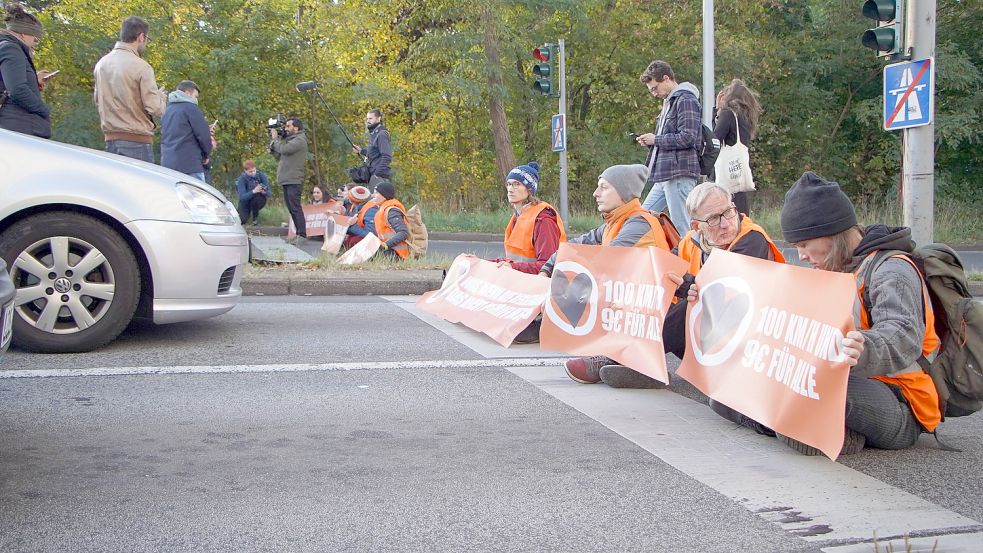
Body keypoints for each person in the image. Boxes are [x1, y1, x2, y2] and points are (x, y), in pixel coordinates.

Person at [777, 171, 940, 455]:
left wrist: (862, 347)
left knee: (800, 390)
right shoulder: (831, 266)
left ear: (830, 234)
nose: (801, 256)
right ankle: (804, 425)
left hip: (900, 400)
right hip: (850, 382)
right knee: (732, 398)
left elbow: (903, 335)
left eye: (803, 245)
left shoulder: (892, 270)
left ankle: (831, 434)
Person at [664, 182, 785, 428]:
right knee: (674, 297)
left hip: (754, 339)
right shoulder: (690, 241)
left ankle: (638, 354)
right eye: (714, 219)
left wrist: (688, 286)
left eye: (729, 212)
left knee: (689, 306)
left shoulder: (752, 239)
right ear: (696, 226)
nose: (727, 223)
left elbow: (725, 290)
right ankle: (638, 354)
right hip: (715, 337)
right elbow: (667, 269)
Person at [540, 164, 671, 387]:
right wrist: (548, 268)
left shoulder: (639, 223)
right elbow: (574, 246)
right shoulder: (614, 223)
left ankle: (624, 358)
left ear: (623, 193)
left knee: (583, 290)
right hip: (633, 308)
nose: (596, 193)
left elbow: (602, 262)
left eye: (604, 187)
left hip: (654, 313)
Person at [636, 60, 702, 237]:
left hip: (679, 173)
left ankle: (694, 261)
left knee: (683, 227)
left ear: (666, 78)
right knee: (641, 218)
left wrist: (656, 139)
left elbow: (688, 136)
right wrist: (652, 141)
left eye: (655, 88)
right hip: (666, 174)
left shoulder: (686, 99)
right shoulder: (670, 102)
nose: (654, 94)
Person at [93, 16, 167, 163]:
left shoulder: (101, 64)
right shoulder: (141, 67)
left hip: (110, 140)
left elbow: (98, 100)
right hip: (137, 142)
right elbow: (155, 108)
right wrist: (161, 97)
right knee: (141, 185)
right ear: (140, 37)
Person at [492, 161, 566, 275]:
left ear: (529, 190)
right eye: (509, 184)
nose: (510, 189)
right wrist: (478, 261)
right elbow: (510, 261)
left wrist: (513, 267)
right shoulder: (518, 216)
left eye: (516, 184)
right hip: (523, 284)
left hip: (539, 287)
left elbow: (548, 266)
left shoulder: (543, 219)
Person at [0, 3, 51, 138]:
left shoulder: (8, 48)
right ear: (23, 33)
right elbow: (17, 89)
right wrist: (43, 109)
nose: (36, 41)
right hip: (18, 126)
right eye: (35, 37)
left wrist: (34, 79)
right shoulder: (11, 49)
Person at [712, 79, 762, 215]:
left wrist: (717, 111)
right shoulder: (746, 117)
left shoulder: (728, 114)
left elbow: (715, 139)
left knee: (727, 210)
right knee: (741, 212)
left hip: (727, 172)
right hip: (740, 169)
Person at [160, 80, 212, 181]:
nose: (196, 100)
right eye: (195, 96)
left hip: (168, 164)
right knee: (197, 196)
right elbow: (202, 135)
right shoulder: (191, 108)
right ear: (188, 93)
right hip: (190, 164)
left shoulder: (167, 110)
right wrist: (206, 155)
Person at [269, 117, 309, 242]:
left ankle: (302, 235)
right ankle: (298, 234)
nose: (285, 128)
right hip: (287, 178)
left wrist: (276, 139)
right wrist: (274, 145)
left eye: (288, 126)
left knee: (295, 207)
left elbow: (284, 149)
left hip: (294, 179)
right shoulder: (291, 140)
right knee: (291, 208)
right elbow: (279, 155)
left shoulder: (300, 140)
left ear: (296, 128)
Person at [352, 109, 392, 189]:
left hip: (379, 177)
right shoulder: (375, 133)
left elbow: (387, 157)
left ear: (378, 119)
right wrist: (360, 151)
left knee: (376, 200)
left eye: (370, 118)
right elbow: (374, 153)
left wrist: (376, 175)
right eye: (367, 118)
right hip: (374, 174)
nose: (368, 121)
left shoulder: (381, 134)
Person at [371, 180, 409, 260]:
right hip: (387, 251)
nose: (373, 195)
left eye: (376, 193)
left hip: (396, 254)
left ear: (384, 196)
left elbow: (403, 233)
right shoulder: (382, 209)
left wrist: (385, 245)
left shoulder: (392, 211)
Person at [235, 160, 270, 226]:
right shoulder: (241, 179)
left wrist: (263, 192)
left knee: (257, 199)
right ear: (245, 171)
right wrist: (253, 191)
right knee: (242, 220)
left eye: (254, 170)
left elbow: (269, 193)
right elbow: (242, 197)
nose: (253, 173)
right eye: (250, 172)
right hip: (245, 201)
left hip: (258, 199)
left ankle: (255, 219)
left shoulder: (261, 176)